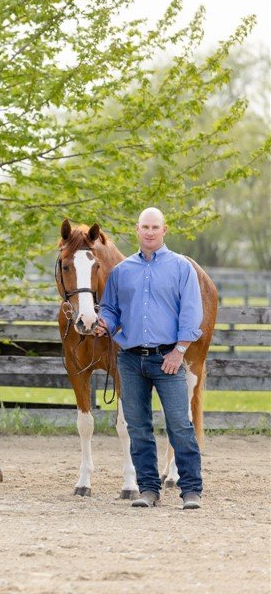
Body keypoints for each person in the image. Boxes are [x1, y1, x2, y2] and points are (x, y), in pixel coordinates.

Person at [94, 208, 204, 510]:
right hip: (129, 360)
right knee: (138, 427)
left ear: (164, 230)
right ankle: (148, 490)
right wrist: (104, 322)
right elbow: (110, 309)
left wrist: (179, 351)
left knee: (180, 425)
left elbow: (192, 313)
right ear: (137, 230)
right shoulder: (122, 271)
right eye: (145, 227)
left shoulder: (181, 268)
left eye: (155, 227)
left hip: (167, 357)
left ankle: (191, 490)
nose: (150, 232)